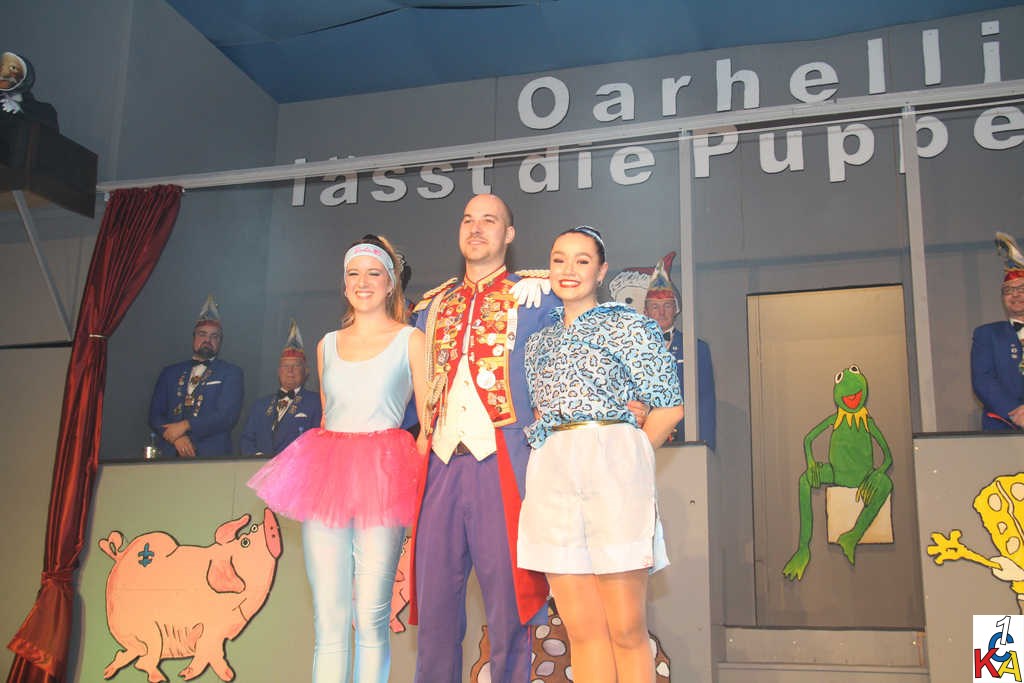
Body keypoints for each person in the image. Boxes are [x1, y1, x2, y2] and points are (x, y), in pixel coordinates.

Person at [248, 235, 428, 683]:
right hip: (327, 477)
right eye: (353, 274)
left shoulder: (411, 339)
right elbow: (329, 416)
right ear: (344, 284)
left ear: (390, 283)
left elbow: (428, 424)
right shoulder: (326, 344)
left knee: (371, 616)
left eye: (373, 273)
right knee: (329, 618)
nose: (363, 283)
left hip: (383, 479)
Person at [518, 226, 683, 683]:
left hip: (614, 473)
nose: (569, 270)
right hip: (552, 476)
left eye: (582, 260)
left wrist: (628, 453)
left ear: (602, 271)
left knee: (626, 628)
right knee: (582, 631)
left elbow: (669, 406)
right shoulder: (537, 342)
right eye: (559, 259)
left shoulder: (629, 326)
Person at [408, 193, 559, 683]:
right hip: (441, 463)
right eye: (468, 219)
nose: (476, 228)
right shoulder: (431, 307)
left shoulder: (536, 297)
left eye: (489, 220)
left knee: (510, 605)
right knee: (435, 609)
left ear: (508, 235)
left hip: (503, 462)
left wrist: (552, 288)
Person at [148, 295, 243, 458]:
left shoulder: (231, 372)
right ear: (194, 338)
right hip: (169, 453)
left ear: (220, 342)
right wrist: (177, 438)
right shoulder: (170, 372)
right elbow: (155, 415)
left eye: (214, 336)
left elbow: (226, 416)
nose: (208, 340)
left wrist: (186, 425)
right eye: (202, 334)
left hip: (211, 456)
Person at [643, 258, 717, 449]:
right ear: (646, 312)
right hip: (645, 442)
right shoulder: (633, 351)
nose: (661, 312)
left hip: (685, 442)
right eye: (655, 306)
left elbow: (706, 402)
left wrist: (705, 447)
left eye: (667, 306)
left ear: (676, 309)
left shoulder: (695, 348)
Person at [239, 320, 323, 456]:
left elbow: (318, 443)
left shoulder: (316, 403)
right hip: (260, 467)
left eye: (296, 365)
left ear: (306, 371)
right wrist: (258, 460)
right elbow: (247, 440)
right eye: (285, 366)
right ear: (279, 371)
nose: (290, 370)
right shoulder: (260, 405)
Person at [971, 232, 1024, 431]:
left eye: (1021, 289)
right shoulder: (987, 335)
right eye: (1008, 290)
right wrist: (1015, 411)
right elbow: (983, 380)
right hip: (1003, 427)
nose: (1015, 295)